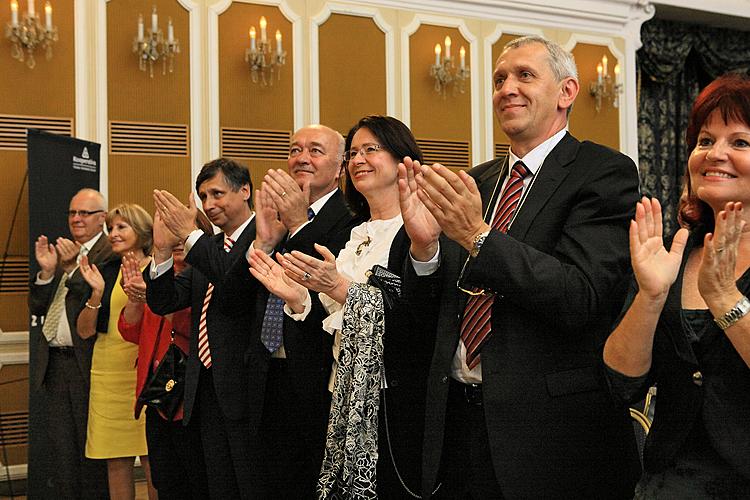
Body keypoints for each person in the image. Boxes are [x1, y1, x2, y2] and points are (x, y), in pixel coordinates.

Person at [401, 35, 642, 498]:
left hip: (550, 437)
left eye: (525, 75)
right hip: (457, 423)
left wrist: (477, 236)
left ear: (566, 93)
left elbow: (580, 297)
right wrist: (424, 249)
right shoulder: (475, 182)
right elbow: (433, 314)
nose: (507, 88)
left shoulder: (603, 172)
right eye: (499, 79)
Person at [249, 115, 436, 498]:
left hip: (393, 400)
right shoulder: (356, 233)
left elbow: (416, 319)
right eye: (352, 152)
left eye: (371, 149)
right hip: (342, 397)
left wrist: (338, 286)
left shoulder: (421, 231)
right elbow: (327, 325)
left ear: (403, 159)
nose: (358, 160)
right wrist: (299, 298)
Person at [604, 74, 750, 497]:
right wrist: (650, 297)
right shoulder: (672, 252)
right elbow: (621, 382)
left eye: (739, 142)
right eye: (705, 140)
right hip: (668, 484)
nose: (715, 154)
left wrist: (725, 298)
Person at [221, 124, 360, 498]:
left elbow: (322, 291)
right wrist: (265, 241)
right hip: (265, 373)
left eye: (315, 151)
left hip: (315, 377)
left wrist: (299, 225)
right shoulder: (273, 217)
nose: (302, 158)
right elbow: (230, 301)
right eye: (295, 149)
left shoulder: (352, 220)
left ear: (340, 168)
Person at [146, 158, 258, 498]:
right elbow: (165, 301)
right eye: (203, 197)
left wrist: (191, 235)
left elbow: (232, 282)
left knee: (250, 483)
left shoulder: (262, 236)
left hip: (247, 386)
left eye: (217, 194)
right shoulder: (209, 249)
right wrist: (163, 250)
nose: (209, 205)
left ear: (245, 191)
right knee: (217, 484)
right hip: (205, 388)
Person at [117, 210, 213, 500]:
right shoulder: (156, 273)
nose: (176, 245)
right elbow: (131, 333)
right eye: (170, 238)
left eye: (181, 238)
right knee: (163, 480)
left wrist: (158, 299)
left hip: (192, 400)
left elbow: (195, 332)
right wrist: (135, 301)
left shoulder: (207, 275)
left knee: (194, 482)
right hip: (158, 395)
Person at [28, 188, 110, 499]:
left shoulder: (108, 252)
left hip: (87, 363)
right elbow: (39, 308)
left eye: (84, 213)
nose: (76, 219)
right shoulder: (66, 253)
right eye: (72, 213)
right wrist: (48, 274)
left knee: (90, 453)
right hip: (55, 364)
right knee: (61, 453)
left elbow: (96, 307)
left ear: (101, 218)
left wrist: (72, 269)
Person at [77, 203, 156, 500]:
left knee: (154, 461)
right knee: (116, 462)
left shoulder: (158, 267)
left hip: (146, 372)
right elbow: (85, 331)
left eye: (121, 227)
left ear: (142, 231)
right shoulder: (106, 271)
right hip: (108, 374)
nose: (113, 234)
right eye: (111, 228)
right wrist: (96, 294)